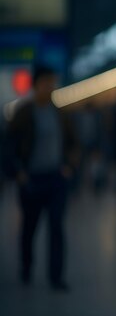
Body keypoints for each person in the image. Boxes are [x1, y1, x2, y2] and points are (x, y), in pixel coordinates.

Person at [7, 65, 76, 291]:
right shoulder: (24, 113)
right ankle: (26, 267)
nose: (51, 87)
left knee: (57, 226)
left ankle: (56, 276)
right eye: (47, 82)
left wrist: (68, 166)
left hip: (56, 178)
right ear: (36, 85)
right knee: (30, 227)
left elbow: (72, 142)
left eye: (53, 82)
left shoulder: (60, 114)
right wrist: (18, 172)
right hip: (31, 179)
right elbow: (9, 146)